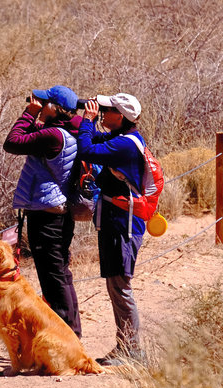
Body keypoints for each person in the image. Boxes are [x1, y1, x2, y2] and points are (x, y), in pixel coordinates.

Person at [3, 85, 83, 338]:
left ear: (55, 108)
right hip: (60, 211)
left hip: (47, 214)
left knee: (53, 277)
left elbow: (12, 142)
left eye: (45, 101)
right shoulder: (70, 130)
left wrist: (29, 112)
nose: (40, 103)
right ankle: (71, 334)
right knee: (60, 273)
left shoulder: (53, 136)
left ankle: (64, 337)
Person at [77, 93, 147, 365]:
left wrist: (88, 120)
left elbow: (85, 149)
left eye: (109, 110)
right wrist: (86, 121)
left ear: (122, 116)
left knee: (120, 287)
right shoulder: (124, 140)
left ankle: (131, 350)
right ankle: (127, 347)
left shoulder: (126, 146)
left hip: (123, 225)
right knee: (116, 286)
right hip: (117, 222)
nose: (104, 113)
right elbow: (91, 140)